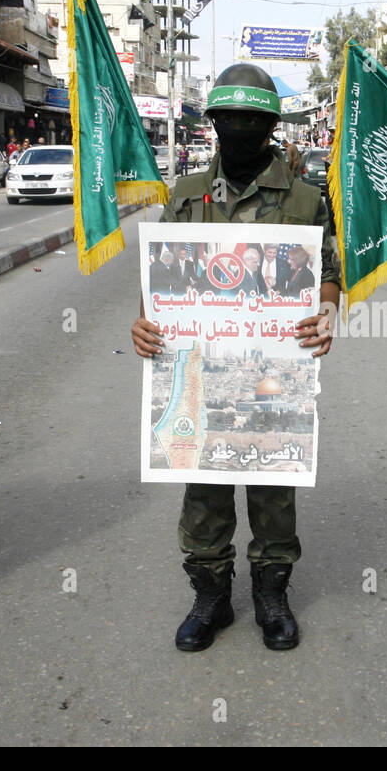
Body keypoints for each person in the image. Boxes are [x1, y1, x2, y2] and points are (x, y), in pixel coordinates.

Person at [131, 63, 340, 653]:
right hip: (198, 366)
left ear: (271, 125)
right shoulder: (187, 194)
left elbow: (328, 271)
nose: (241, 130)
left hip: (274, 369)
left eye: (253, 121)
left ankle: (272, 596)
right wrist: (146, 321)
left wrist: (325, 315)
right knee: (204, 483)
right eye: (230, 120)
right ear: (214, 123)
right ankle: (211, 598)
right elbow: (163, 276)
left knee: (272, 482)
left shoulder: (303, 198)